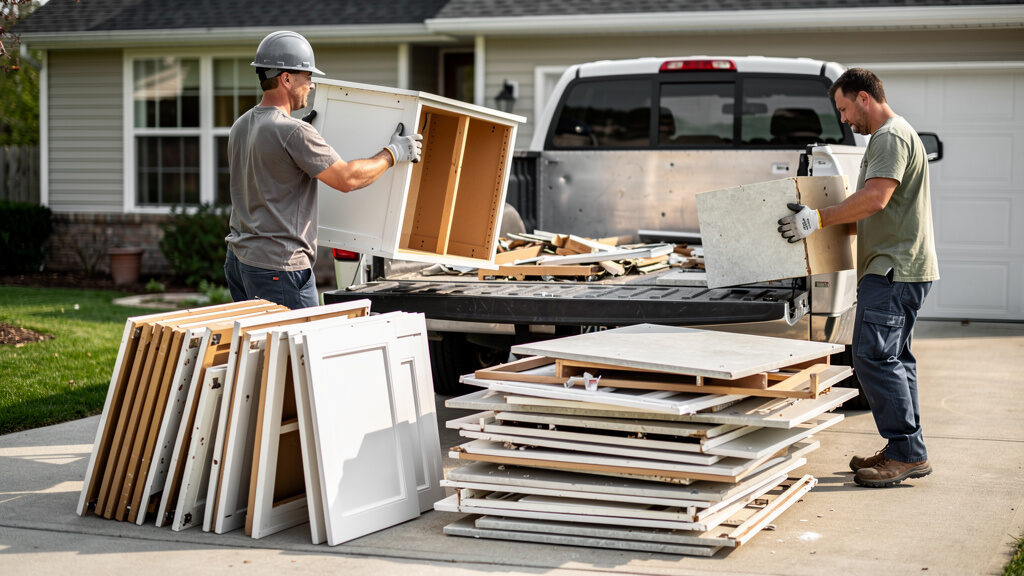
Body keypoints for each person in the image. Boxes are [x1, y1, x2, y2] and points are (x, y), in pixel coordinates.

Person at [777, 68, 939, 488]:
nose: (845, 119)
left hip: (892, 270)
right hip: (902, 268)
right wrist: (824, 224)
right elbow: (877, 208)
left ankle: (906, 453)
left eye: (845, 108)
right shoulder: (897, 135)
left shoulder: (889, 137)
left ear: (865, 98)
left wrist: (818, 218)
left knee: (871, 357)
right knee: (895, 360)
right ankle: (908, 448)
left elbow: (875, 198)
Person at [224, 30, 422, 309]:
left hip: (240, 260)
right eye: (308, 77)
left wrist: (300, 135)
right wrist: (394, 153)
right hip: (279, 268)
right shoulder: (293, 132)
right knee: (300, 349)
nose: (312, 85)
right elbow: (347, 179)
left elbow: (271, 172)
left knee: (262, 349)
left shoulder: (242, 125)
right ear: (287, 78)